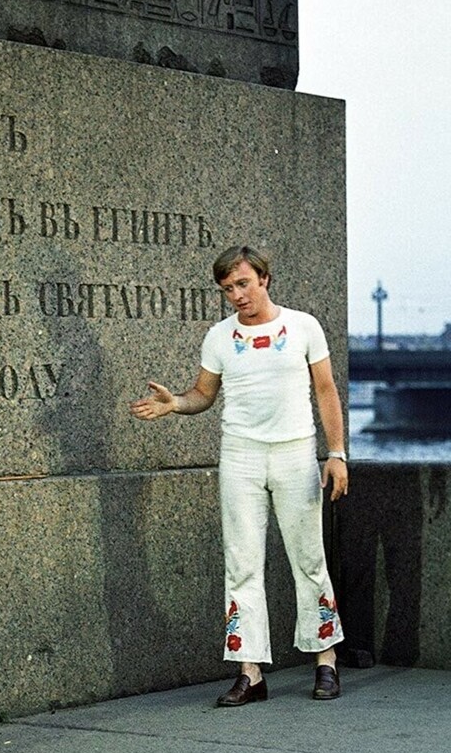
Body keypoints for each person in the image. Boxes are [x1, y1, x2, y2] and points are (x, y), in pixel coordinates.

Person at [130, 245, 349, 706]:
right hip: (241, 456)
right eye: (228, 288)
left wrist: (337, 454)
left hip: (295, 452)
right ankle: (250, 671)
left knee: (308, 558)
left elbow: (326, 391)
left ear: (264, 279)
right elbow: (203, 394)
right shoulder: (219, 337)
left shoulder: (303, 326)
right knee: (242, 563)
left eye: (243, 284)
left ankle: (325, 660)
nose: (237, 295)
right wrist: (175, 404)